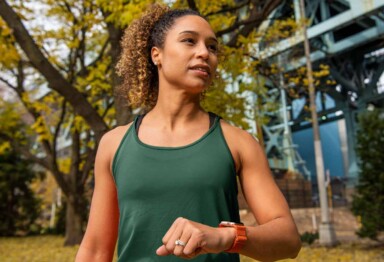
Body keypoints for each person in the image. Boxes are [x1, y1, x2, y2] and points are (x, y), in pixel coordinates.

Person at [76, 3, 301, 262]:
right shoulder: (113, 144)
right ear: (156, 54)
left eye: (212, 46)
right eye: (189, 41)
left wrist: (226, 237)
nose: (204, 53)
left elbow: (288, 240)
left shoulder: (239, 143)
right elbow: (94, 250)